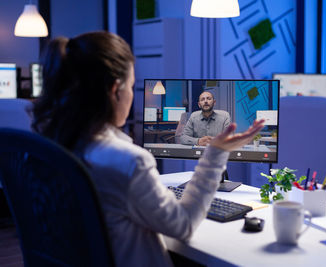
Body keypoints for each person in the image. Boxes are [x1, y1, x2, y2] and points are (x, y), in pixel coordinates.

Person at [32, 31, 264, 267]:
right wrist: (215, 154)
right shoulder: (129, 162)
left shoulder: (50, 146)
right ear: (115, 90)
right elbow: (182, 225)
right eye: (132, 86)